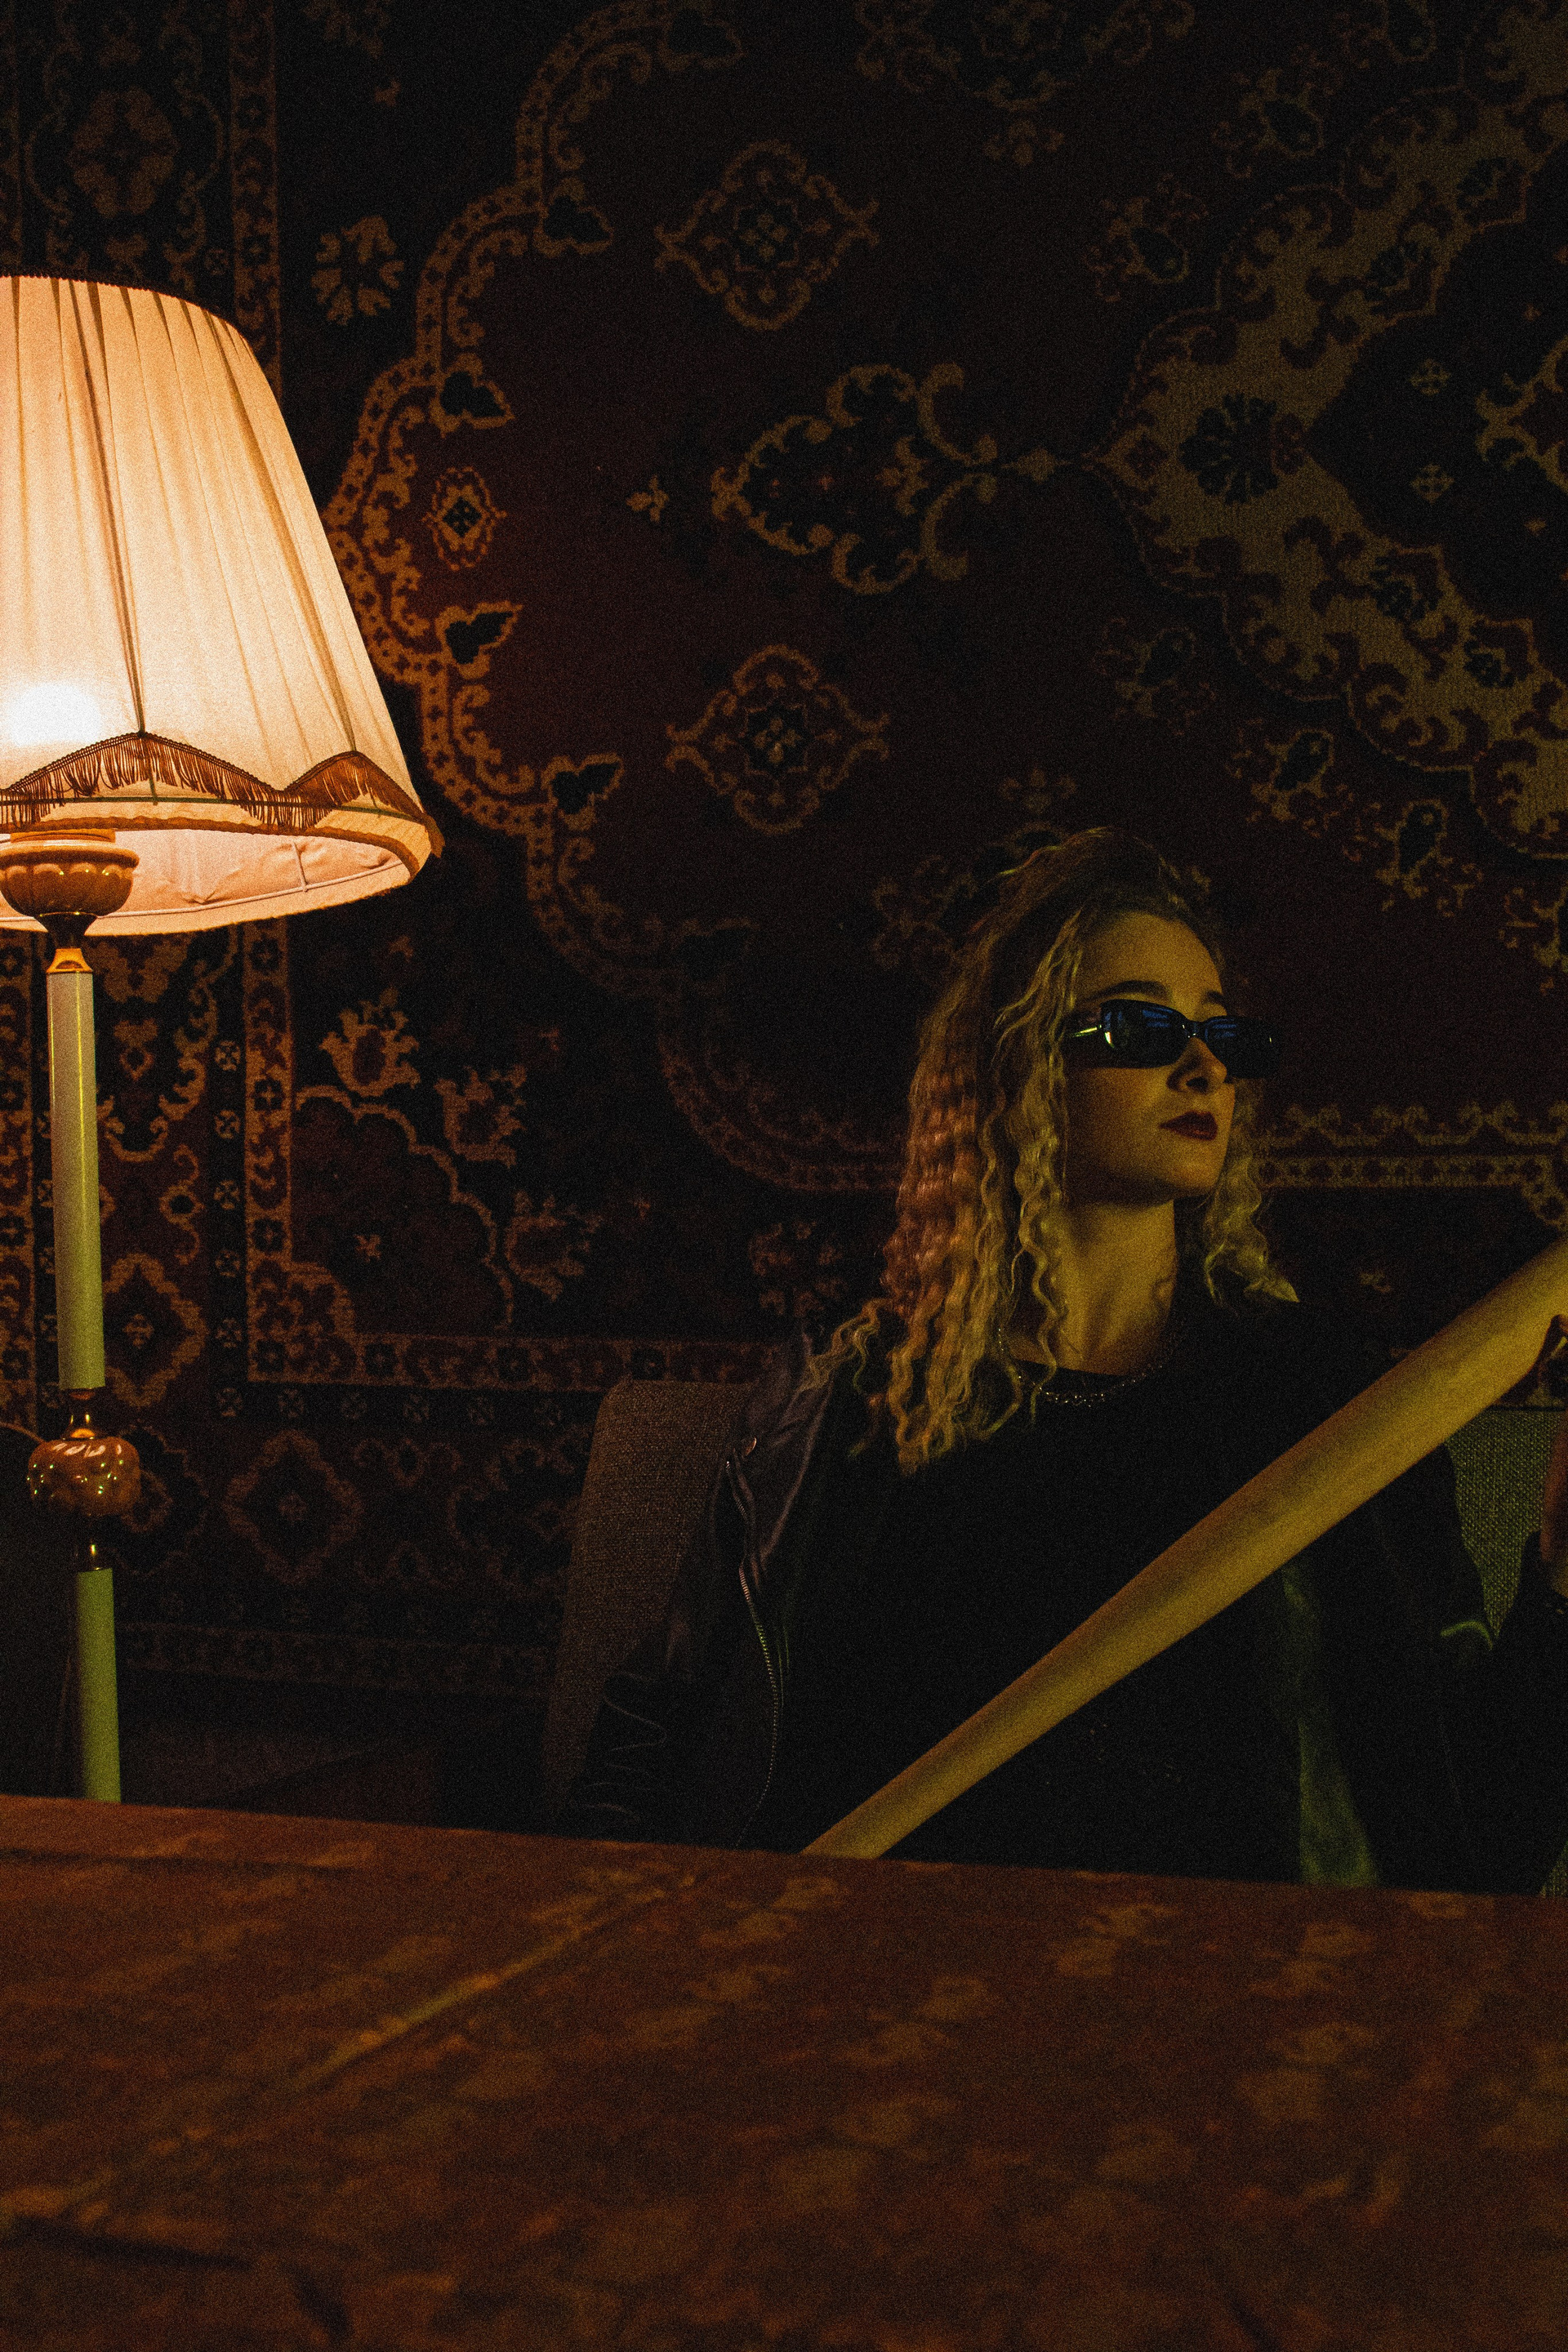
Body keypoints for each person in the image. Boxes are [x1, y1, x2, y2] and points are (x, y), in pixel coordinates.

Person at [559, 830, 1568, 1893]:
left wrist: (1562, 1576)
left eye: (1222, 1032)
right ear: (1021, 1066)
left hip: (1221, 1972)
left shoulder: (1324, 1406)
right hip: (869, 1952)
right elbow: (655, 1733)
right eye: (1141, 1026)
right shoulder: (841, 1398)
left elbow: (1472, 1834)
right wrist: (603, 1925)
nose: (1205, 1066)